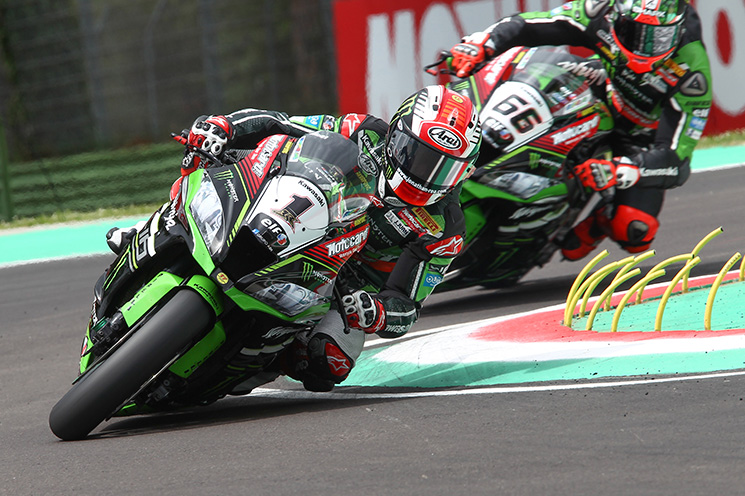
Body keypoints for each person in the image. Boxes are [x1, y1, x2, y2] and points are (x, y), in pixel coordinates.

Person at [110, 85, 482, 392]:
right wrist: (226, 128)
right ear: (397, 135)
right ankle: (156, 227)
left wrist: (376, 312)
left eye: (444, 168)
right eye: (419, 155)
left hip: (343, 286)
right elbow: (282, 124)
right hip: (301, 220)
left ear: (463, 173)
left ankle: (253, 362)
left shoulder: (445, 228)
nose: (425, 173)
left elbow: (407, 304)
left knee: (328, 363)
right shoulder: (362, 130)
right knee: (213, 163)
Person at [446, 0, 712, 260]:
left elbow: (677, 161)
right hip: (598, 89)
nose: (647, 48)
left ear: (677, 30)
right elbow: (527, 25)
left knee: (635, 230)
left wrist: (621, 170)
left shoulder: (692, 71)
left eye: (661, 38)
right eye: (635, 32)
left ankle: (597, 220)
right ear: (616, 17)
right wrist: (483, 43)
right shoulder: (599, 11)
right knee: (523, 99)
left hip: (640, 137)